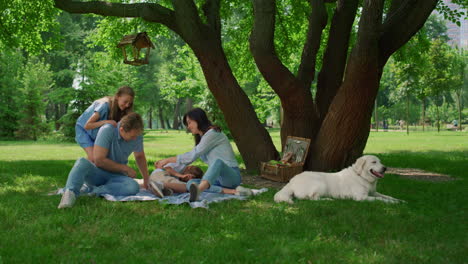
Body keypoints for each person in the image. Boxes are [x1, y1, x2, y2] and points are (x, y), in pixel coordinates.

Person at [154, 108, 253, 202]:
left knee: (218, 162)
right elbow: (190, 157)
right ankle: (234, 191)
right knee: (190, 183)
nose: (188, 127)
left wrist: (166, 160)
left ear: (198, 120)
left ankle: (198, 191)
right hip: (217, 180)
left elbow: (192, 155)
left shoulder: (213, 133)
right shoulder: (203, 137)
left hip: (231, 177)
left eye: (189, 123)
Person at [58, 112, 149, 209]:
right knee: (82, 162)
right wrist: (124, 168)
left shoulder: (137, 136)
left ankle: (94, 191)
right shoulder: (107, 130)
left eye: (136, 136)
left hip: (117, 177)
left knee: (133, 187)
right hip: (98, 173)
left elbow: (139, 156)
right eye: (132, 137)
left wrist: (146, 179)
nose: (135, 139)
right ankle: (69, 194)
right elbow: (99, 160)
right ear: (121, 129)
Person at [75, 85, 135, 162]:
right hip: (83, 130)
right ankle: (80, 170)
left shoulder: (121, 110)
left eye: (129, 103)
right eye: (125, 102)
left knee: (102, 156)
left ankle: (94, 171)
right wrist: (106, 122)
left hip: (95, 132)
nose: (127, 105)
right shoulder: (104, 106)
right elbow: (87, 125)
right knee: (93, 158)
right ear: (117, 97)